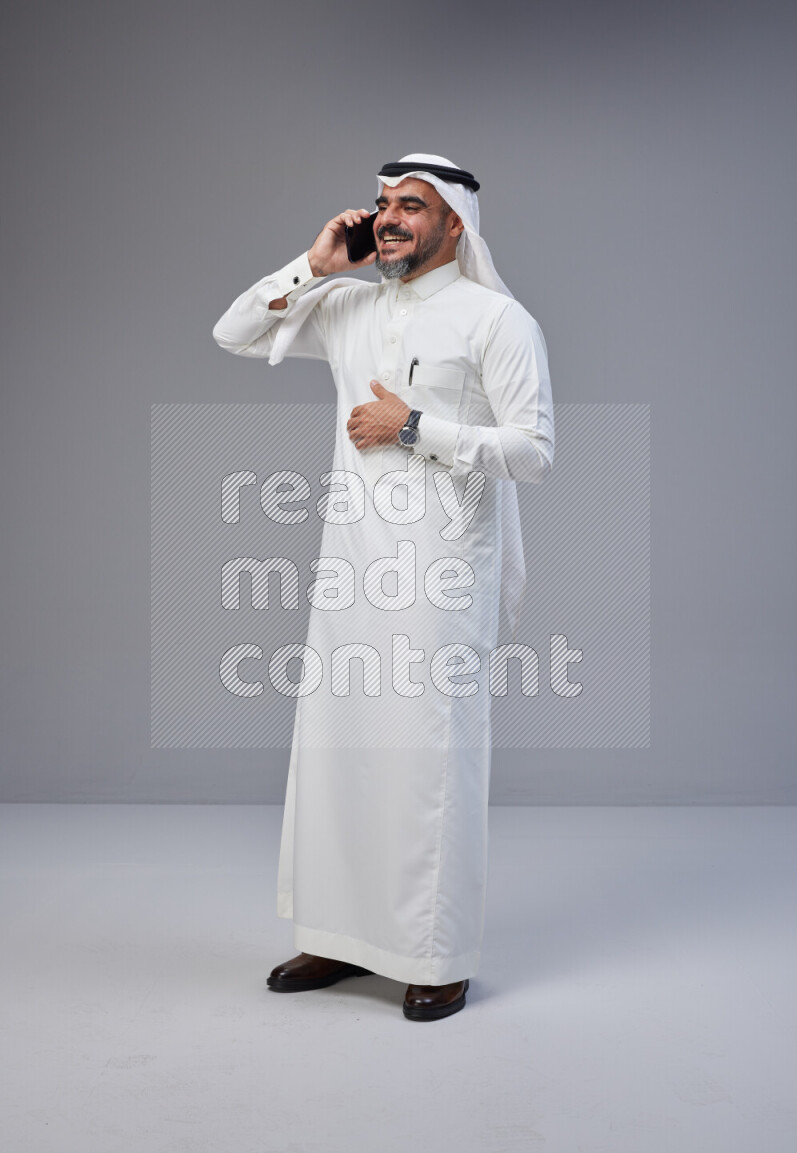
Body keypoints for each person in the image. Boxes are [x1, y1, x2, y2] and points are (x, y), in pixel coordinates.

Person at [212, 154, 554, 1020]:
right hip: (350, 569)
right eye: (383, 204)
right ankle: (337, 937)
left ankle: (436, 952)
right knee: (340, 751)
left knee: (428, 761)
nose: (391, 217)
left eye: (413, 205)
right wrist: (316, 265)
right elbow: (234, 333)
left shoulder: (497, 320)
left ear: (456, 224)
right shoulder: (351, 304)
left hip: (442, 576)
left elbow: (534, 450)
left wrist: (416, 428)